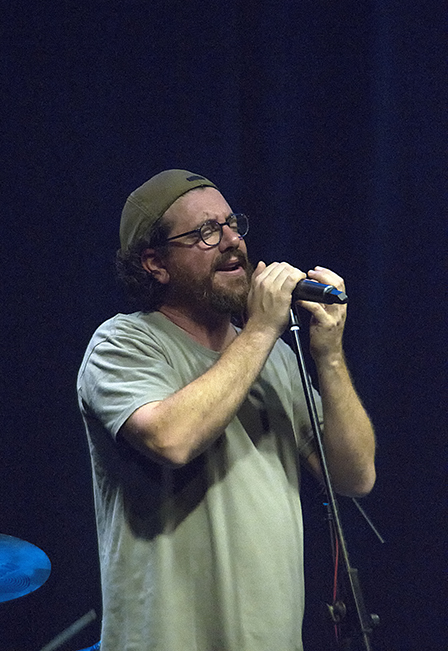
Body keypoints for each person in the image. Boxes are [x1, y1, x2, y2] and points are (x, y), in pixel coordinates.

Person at [77, 169, 376, 651]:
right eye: (205, 232)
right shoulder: (122, 344)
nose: (233, 241)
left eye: (232, 223)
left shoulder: (275, 359)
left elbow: (355, 476)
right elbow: (171, 440)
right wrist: (260, 330)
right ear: (155, 263)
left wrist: (330, 355)